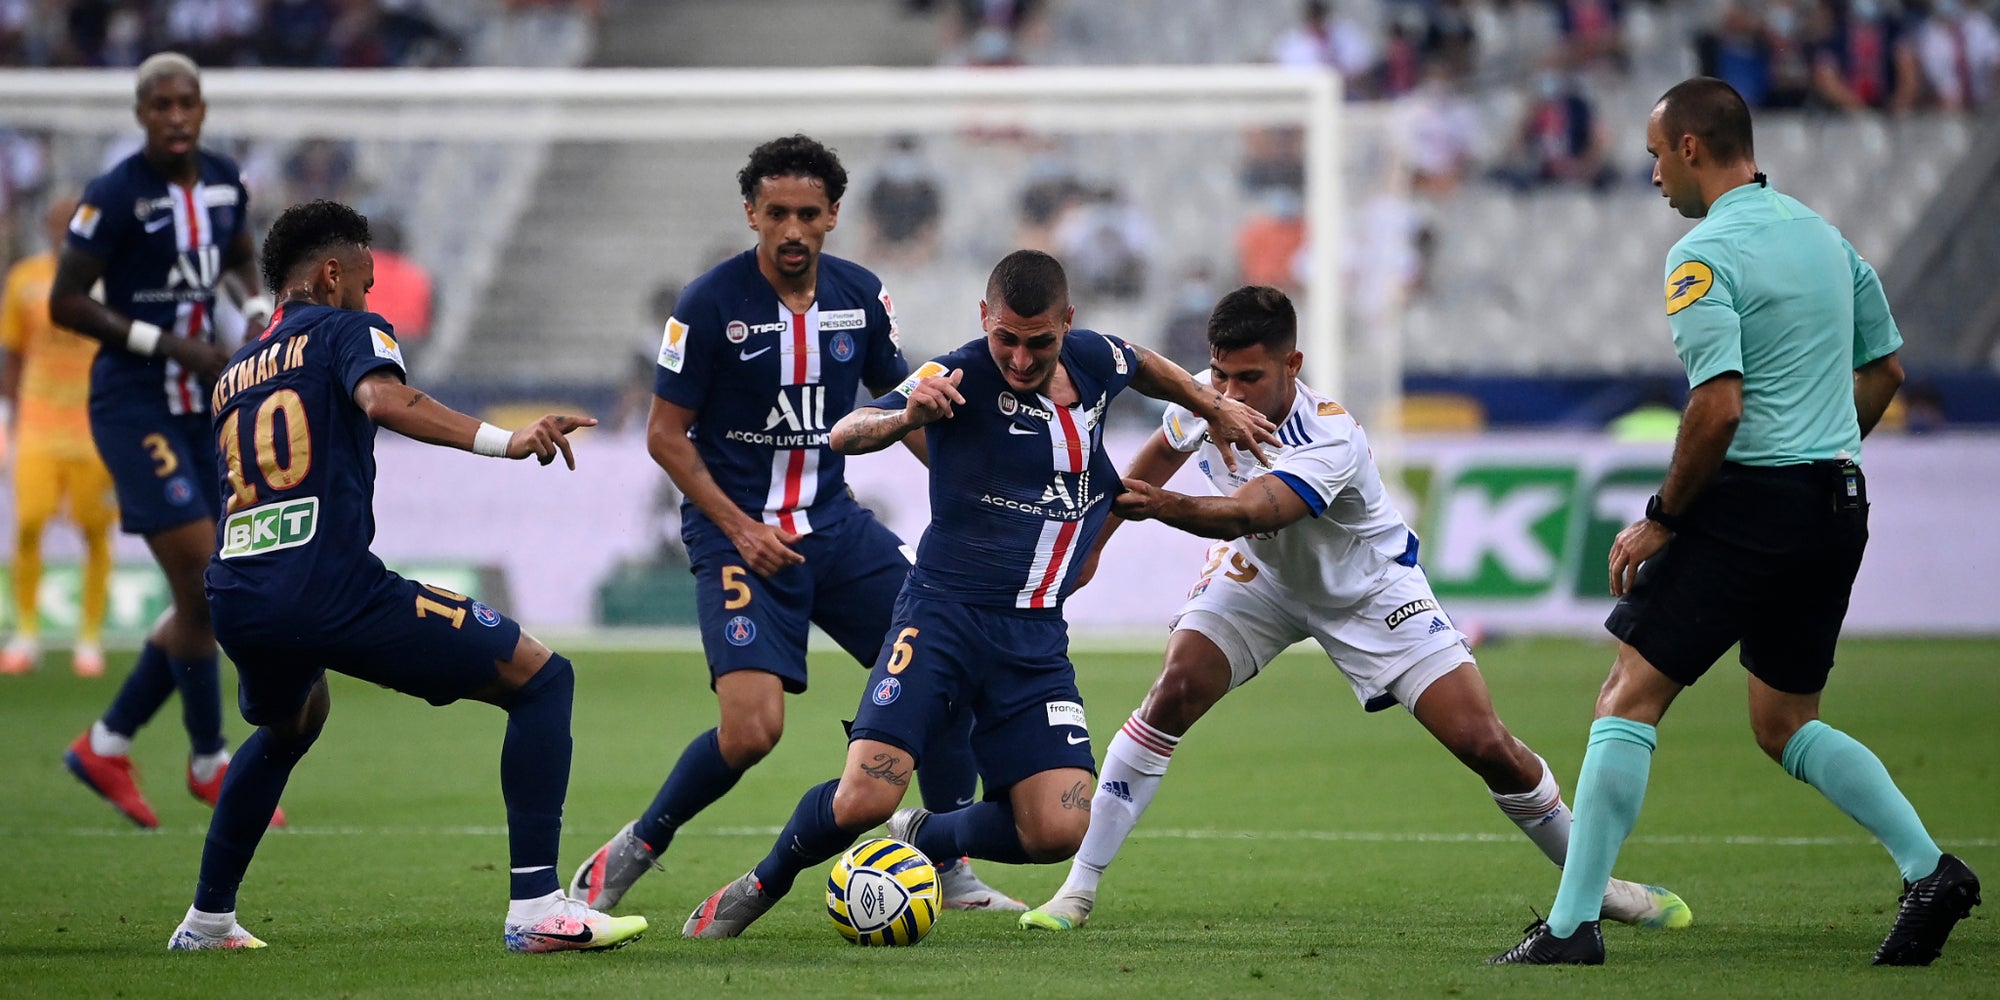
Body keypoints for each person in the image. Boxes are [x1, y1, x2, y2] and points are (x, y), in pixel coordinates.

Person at [1017, 285, 1689, 934]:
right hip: (1265, 579)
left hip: (1370, 593)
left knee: (1485, 745)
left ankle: (1597, 888)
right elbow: (1160, 454)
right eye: (1220, 375)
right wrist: (1098, 545)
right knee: (1174, 689)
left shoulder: (1330, 436)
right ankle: (1078, 889)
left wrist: (1162, 509)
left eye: (1248, 378)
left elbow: (1252, 511)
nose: (1229, 394)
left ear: (1292, 365)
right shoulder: (1206, 399)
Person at [1491, 77, 1979, 967]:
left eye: (1653, 157)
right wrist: (1823, 446)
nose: (1651, 180)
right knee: (1785, 720)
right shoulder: (1825, 238)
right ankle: (1928, 869)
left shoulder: (1703, 258)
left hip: (1752, 504)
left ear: (1688, 149)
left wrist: (1661, 520)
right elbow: (1888, 370)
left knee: (1626, 698)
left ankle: (1570, 929)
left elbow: (1716, 409)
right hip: (1837, 501)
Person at [678, 249, 1281, 940]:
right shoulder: (955, 375)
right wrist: (906, 417)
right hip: (940, 620)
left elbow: (1140, 360)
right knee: (862, 798)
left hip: (1034, 638)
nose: (1021, 359)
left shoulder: (1093, 361)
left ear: (1067, 325)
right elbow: (847, 430)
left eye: (1039, 342)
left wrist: (1211, 404)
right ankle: (763, 882)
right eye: (1007, 340)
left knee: (1059, 827)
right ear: (984, 320)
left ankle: (925, 835)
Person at [167, 199, 647, 953]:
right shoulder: (347, 329)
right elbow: (382, 398)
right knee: (541, 678)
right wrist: (506, 439)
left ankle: (206, 922)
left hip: (239, 593)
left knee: (290, 724)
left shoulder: (237, 372)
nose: (370, 297)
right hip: (326, 586)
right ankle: (536, 909)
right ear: (332, 275)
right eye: (364, 281)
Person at [569, 134, 1020, 915]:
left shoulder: (861, 295)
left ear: (833, 216)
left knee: (949, 679)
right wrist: (741, 530)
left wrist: (962, 495)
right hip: (741, 540)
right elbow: (664, 436)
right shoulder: (708, 305)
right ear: (751, 213)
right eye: (775, 212)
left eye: (807, 214)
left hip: (835, 529)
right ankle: (638, 845)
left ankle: (949, 867)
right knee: (751, 733)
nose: (791, 230)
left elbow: (902, 403)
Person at [49, 53, 278, 830]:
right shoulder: (115, 196)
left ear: (202, 109)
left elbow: (241, 260)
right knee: (208, 579)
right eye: (161, 106)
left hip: (201, 404)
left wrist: (252, 315)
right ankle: (209, 759)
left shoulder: (222, 179)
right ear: (142, 113)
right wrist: (168, 344)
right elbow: (67, 302)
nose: (176, 117)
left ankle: (106, 743)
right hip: (135, 402)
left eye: (188, 104)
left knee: (206, 593)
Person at [2, 197, 117, 678]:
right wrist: (8, 415)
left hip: (93, 426)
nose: (64, 231)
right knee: (29, 523)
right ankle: (25, 632)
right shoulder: (26, 281)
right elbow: (11, 355)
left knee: (95, 530)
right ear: (46, 226)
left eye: (74, 223)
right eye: (57, 222)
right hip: (38, 424)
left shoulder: (110, 283)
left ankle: (89, 639)